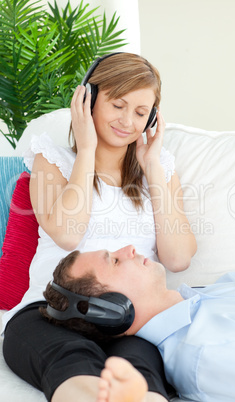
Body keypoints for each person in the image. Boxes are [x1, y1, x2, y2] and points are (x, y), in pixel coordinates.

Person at [2, 52, 197, 402]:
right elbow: (67, 233)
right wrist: (87, 147)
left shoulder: (161, 171)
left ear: (153, 118)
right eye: (117, 105)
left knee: (139, 364)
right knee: (66, 357)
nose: (127, 121)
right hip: (53, 311)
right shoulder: (53, 160)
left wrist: (152, 168)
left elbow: (179, 258)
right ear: (88, 99)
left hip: (129, 319)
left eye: (140, 113)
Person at [40, 245, 235, 402]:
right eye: (116, 261)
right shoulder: (205, 355)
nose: (129, 248)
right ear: (111, 310)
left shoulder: (208, 293)